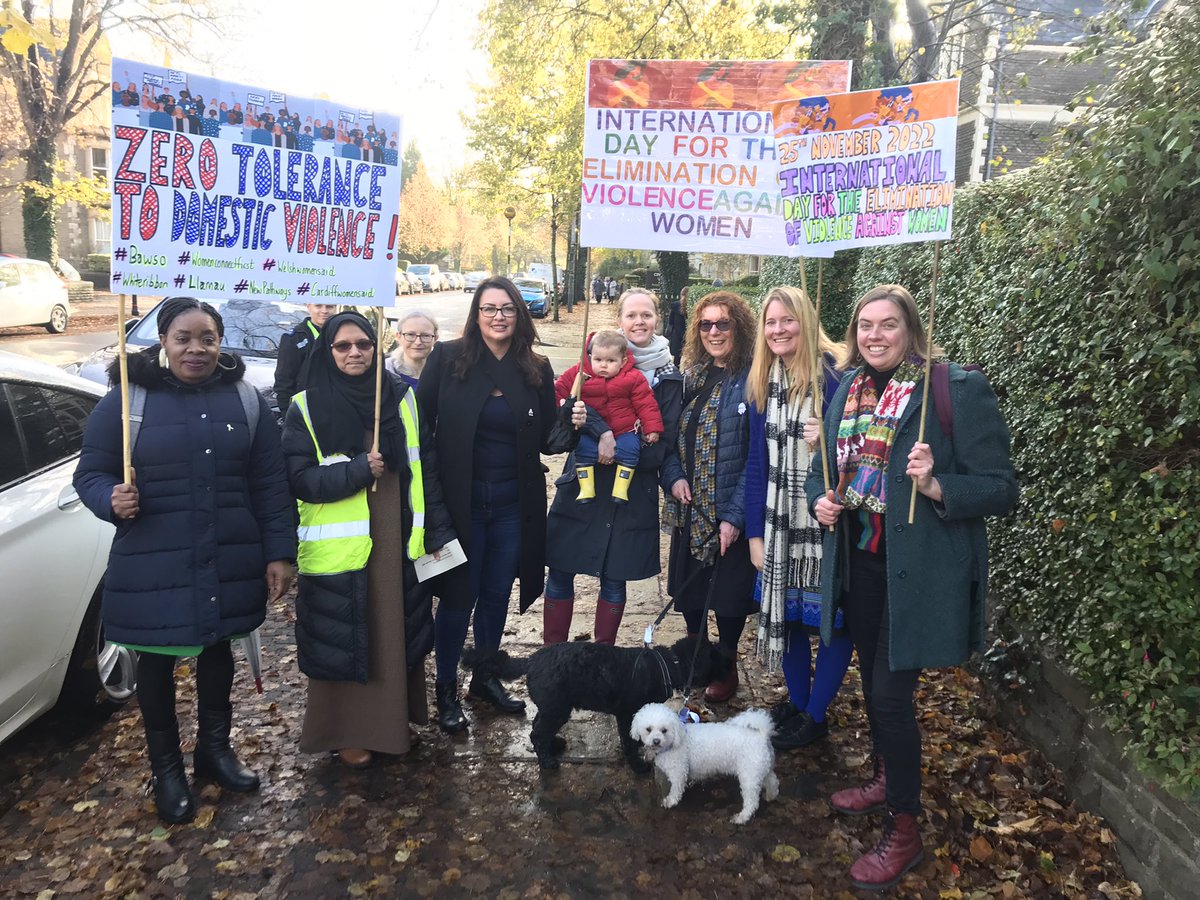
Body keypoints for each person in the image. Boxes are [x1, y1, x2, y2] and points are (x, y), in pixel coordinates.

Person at [809, 284, 1018, 890]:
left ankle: (905, 830)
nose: (875, 336)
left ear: (911, 329)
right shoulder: (848, 389)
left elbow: (1002, 486)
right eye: (865, 326)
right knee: (873, 693)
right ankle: (885, 777)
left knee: (891, 697)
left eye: (889, 325)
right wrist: (821, 501)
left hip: (918, 573)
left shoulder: (954, 389)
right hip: (862, 564)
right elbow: (828, 476)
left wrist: (937, 486)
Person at [73, 297, 296, 824]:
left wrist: (280, 553)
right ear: (163, 343)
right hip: (156, 558)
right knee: (157, 658)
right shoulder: (127, 402)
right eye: (183, 338)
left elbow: (269, 483)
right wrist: (109, 499)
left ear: (220, 344)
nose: (196, 348)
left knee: (218, 649)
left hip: (228, 553)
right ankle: (167, 767)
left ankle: (214, 752)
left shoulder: (246, 401)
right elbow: (90, 474)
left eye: (207, 339)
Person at [282, 311, 455, 768]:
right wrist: (357, 471)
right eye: (343, 346)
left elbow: (425, 467)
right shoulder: (306, 405)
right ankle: (349, 731)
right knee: (349, 633)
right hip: (344, 546)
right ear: (328, 351)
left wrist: (437, 533)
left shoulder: (400, 397)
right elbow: (298, 479)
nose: (355, 353)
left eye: (363, 344)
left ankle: (392, 726)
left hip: (398, 534)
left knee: (392, 631)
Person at [417, 276, 583, 732]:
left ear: (519, 315)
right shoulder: (447, 359)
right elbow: (417, 428)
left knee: (495, 594)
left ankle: (485, 679)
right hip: (459, 506)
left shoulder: (536, 367)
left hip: (513, 504)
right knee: (457, 598)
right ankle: (446, 688)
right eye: (489, 308)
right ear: (476, 314)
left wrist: (573, 420)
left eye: (507, 308)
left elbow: (549, 440)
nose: (498, 316)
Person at [745, 286, 853, 752]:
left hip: (826, 526)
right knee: (785, 614)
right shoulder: (762, 382)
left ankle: (815, 714)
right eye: (771, 322)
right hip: (777, 524)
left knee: (833, 621)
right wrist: (754, 531)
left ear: (806, 322)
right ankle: (800, 701)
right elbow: (755, 462)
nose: (778, 329)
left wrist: (828, 441)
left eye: (787, 320)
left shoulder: (836, 380)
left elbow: (867, 458)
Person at [543, 288, 683, 645]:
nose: (639, 321)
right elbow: (563, 414)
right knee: (560, 570)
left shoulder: (668, 374)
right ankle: (552, 654)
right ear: (619, 320)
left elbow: (661, 440)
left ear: (658, 319)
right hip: (582, 482)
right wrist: (598, 430)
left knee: (614, 577)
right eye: (631, 315)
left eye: (646, 314)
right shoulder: (590, 360)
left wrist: (622, 446)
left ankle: (602, 656)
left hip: (630, 488)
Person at [660, 291, 758, 702]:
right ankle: (698, 658)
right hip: (691, 507)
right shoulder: (692, 376)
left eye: (723, 324)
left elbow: (758, 455)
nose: (714, 332)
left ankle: (727, 663)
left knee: (729, 597)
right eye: (706, 324)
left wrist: (735, 516)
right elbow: (667, 439)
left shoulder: (754, 379)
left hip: (729, 510)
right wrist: (674, 477)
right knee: (692, 592)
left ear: (740, 327)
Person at [554, 329, 664, 505]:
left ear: (623, 361)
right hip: (589, 431)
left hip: (624, 429)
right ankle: (586, 488)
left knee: (630, 449)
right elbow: (559, 390)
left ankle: (621, 489)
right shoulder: (579, 373)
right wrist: (562, 406)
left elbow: (646, 403)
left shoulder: (633, 378)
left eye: (611, 361)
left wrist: (652, 428)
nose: (603, 365)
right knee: (582, 449)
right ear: (590, 356)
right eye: (598, 360)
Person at [274, 303, 338, 415]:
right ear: (309, 306)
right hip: (305, 411)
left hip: (337, 409)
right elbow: (283, 380)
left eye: (329, 306)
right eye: (318, 306)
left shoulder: (343, 335)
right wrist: (288, 414)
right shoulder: (294, 338)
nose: (324, 311)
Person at [386, 310, 438, 388]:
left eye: (425, 335)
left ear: (436, 338)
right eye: (410, 335)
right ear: (398, 337)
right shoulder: (383, 373)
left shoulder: (445, 372)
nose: (418, 342)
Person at [667, 285, 688, 366]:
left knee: (677, 357)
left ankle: (676, 372)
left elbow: (671, 321)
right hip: (686, 333)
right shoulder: (690, 307)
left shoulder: (675, 305)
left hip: (676, 333)